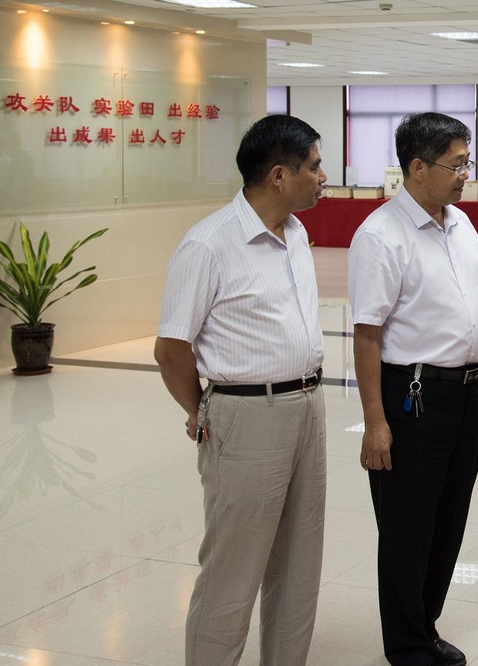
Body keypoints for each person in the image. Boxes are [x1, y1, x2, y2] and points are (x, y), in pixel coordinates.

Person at [154, 114, 327, 666]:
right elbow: (171, 349)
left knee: (299, 565)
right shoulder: (208, 245)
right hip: (247, 415)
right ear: (279, 175)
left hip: (309, 406)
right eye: (314, 166)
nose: (323, 177)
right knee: (234, 570)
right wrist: (201, 409)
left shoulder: (295, 234)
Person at [348, 112, 478, 666]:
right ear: (417, 167)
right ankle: (406, 645)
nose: (464, 175)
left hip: (464, 396)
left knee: (449, 520)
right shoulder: (380, 235)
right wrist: (375, 422)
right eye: (456, 165)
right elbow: (367, 334)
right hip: (412, 399)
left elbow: (469, 300)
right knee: (407, 529)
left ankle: (425, 627)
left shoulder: (461, 223)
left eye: (467, 163)